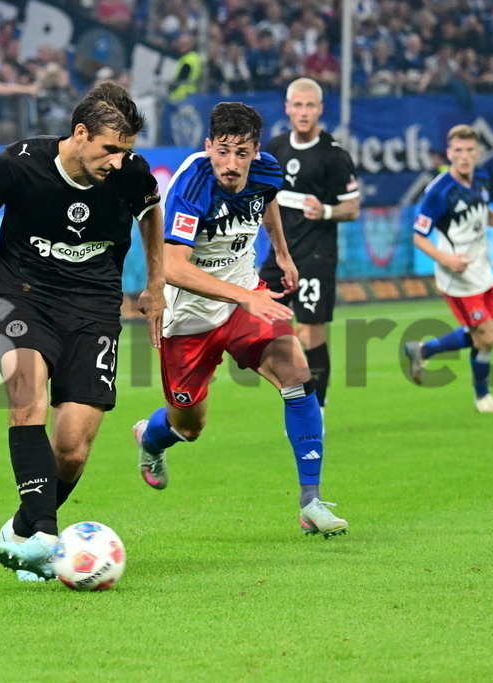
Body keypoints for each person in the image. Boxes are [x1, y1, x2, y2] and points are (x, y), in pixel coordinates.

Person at [0, 83, 166, 580]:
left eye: (126, 151)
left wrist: (154, 283)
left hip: (93, 306)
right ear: (80, 133)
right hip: (23, 295)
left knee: (73, 447)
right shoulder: (16, 164)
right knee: (28, 399)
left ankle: (22, 529)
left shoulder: (131, 175)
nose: (118, 161)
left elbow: (151, 215)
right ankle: (46, 536)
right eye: (110, 149)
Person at [133, 102, 348, 539]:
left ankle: (311, 502)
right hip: (189, 315)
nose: (231, 164)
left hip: (243, 295)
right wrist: (243, 298)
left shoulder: (267, 171)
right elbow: (173, 267)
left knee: (297, 373)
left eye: (242, 153)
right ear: (209, 145)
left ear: (255, 152)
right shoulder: (192, 183)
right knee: (188, 425)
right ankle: (151, 438)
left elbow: (266, 203)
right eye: (224, 151)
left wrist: (282, 254)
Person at [402, 124, 493, 413]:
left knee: (491, 336)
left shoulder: (482, 178)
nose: (464, 156)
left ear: (477, 153)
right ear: (449, 153)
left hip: (483, 270)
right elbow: (418, 237)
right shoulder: (438, 192)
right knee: (485, 336)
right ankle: (482, 397)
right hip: (457, 277)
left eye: (469, 150)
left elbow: (483, 211)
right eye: (458, 151)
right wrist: (446, 260)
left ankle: (424, 350)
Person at [258, 78, 360, 429]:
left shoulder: (333, 155)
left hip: (317, 256)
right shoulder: (274, 148)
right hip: (280, 255)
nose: (303, 113)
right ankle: (293, 387)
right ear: (287, 108)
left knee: (311, 332)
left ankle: (318, 406)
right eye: (297, 106)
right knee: (254, 320)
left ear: (320, 109)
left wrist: (328, 211)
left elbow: (354, 207)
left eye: (309, 106)